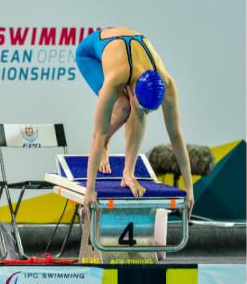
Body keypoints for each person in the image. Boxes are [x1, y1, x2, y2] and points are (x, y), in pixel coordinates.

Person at [74, 27, 193, 214]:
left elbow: (176, 136)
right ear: (134, 87)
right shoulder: (116, 78)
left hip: (130, 51)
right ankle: (108, 146)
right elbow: (97, 134)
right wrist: (89, 190)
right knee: (123, 109)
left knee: (135, 110)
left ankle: (128, 174)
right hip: (90, 54)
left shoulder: (167, 84)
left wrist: (190, 188)